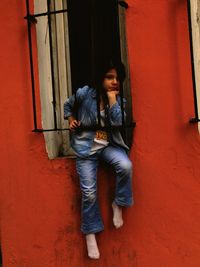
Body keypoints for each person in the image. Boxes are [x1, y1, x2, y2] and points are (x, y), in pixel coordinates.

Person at [64, 59, 133, 260]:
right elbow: (68, 105)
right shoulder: (85, 94)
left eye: (118, 78)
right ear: (100, 78)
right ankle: (90, 232)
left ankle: (118, 202)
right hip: (86, 149)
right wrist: (70, 120)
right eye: (109, 77)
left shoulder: (119, 101)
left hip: (108, 146)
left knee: (125, 165)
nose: (114, 82)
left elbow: (118, 122)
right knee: (89, 193)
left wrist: (112, 101)